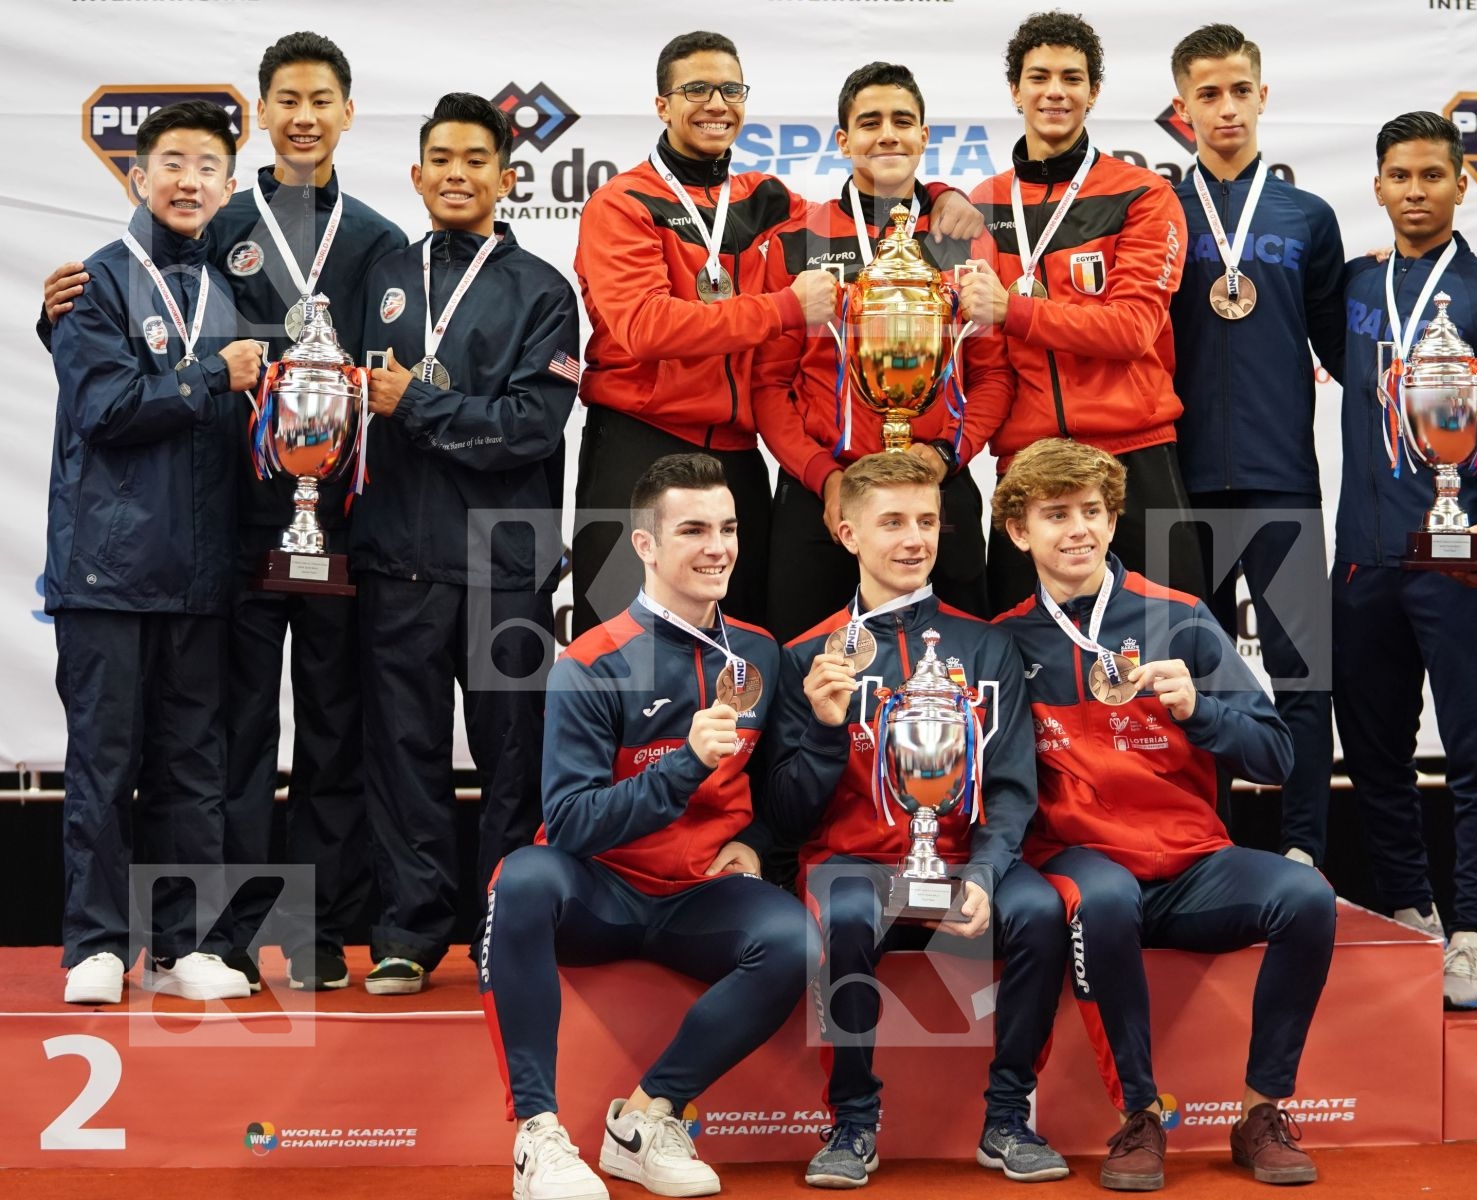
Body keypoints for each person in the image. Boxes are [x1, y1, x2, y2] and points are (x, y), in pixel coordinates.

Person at [40, 32, 407, 993]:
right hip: (212, 536)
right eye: (285, 98)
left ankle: (292, 930)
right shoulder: (179, 246)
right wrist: (60, 322)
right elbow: (127, 367)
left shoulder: (370, 238)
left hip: (319, 527)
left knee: (302, 739)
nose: (303, 116)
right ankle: (189, 938)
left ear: (346, 112)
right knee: (209, 747)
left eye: (321, 99)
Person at [992, 438, 1333, 1190]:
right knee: (1104, 896)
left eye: (1092, 511)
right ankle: (1139, 1118)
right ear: (1020, 531)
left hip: (1190, 867)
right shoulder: (1005, 642)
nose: (1078, 529)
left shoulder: (1180, 620)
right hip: (1083, 863)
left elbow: (1276, 756)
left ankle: (1260, 1112)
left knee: (1306, 897)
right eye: (1056, 515)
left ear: (1115, 520)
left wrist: (1199, 709)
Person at [570, 31, 982, 637]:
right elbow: (643, 327)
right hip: (640, 442)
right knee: (617, 634)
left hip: (735, 456)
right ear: (663, 104)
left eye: (730, 89)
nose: (717, 103)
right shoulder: (622, 202)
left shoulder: (768, 200)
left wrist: (941, 197)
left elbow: (863, 199)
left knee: (737, 637)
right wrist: (783, 309)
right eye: (697, 89)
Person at [483, 453, 803, 1200]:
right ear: (646, 546)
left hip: (699, 896)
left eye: (727, 527)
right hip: (601, 890)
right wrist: (683, 766)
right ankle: (538, 1134)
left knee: (797, 939)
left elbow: (782, 788)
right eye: (693, 529)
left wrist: (756, 845)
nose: (718, 547)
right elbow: (568, 823)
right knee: (522, 879)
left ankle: (647, 1117)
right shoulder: (591, 664)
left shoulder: (759, 653)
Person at [766, 453, 1069, 1188]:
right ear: (847, 534)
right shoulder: (806, 655)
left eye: (927, 521)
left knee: (1038, 910)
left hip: (962, 867)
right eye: (892, 522)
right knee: (841, 912)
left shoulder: (988, 645)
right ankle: (851, 1122)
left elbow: (1011, 787)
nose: (914, 539)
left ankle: (1007, 1117)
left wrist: (990, 875)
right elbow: (786, 812)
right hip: (858, 870)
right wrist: (825, 729)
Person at [354, 93, 578, 995]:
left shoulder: (545, 291)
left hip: (506, 563)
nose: (457, 173)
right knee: (401, 752)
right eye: (440, 158)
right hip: (397, 556)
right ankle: (408, 931)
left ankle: (506, 930)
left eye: (475, 159)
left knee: (513, 756)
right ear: (415, 174)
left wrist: (418, 403)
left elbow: (533, 424)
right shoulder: (379, 276)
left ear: (506, 177)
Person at [50, 101, 265, 1005]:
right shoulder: (93, 284)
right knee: (106, 763)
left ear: (225, 185)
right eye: (170, 163)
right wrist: (215, 372)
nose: (188, 180)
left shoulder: (236, 294)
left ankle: (185, 947)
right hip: (108, 572)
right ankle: (95, 944)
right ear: (138, 178)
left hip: (203, 573)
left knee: (194, 767)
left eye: (207, 166)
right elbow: (106, 410)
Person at [1338, 112, 1477, 1009]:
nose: (1416, 191)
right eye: (1400, 176)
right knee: (1375, 751)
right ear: (1379, 185)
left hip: (1459, 559)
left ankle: (1474, 932)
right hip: (1365, 559)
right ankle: (1410, 909)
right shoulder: (1352, 287)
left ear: (1464, 184)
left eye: (1433, 175)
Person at [754, 60, 1014, 645]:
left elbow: (993, 376)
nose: (888, 134)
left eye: (903, 120)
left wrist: (947, 456)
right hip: (824, 493)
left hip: (935, 490)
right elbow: (769, 386)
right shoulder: (798, 239)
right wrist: (824, 480)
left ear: (925, 136)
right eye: (869, 122)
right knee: (805, 668)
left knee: (961, 661)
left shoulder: (965, 238)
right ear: (844, 141)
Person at [1165, 24, 1344, 867]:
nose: (1226, 107)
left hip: (1283, 482)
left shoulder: (1308, 216)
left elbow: (1341, 345)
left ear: (1263, 96)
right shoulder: (1156, 210)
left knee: (1305, 680)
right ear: (1183, 106)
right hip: (1181, 482)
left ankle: (1304, 850)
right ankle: (1209, 848)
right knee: (1194, 684)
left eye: (1240, 90)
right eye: (1209, 93)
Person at [960, 10, 1203, 613]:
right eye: (1039, 77)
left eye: (1072, 78)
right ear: (1015, 90)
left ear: (1093, 92)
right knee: (1026, 664)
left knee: (1173, 652)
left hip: (1136, 455)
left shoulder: (1144, 193)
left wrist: (1013, 309)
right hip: (1028, 462)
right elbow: (985, 363)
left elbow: (1131, 328)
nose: (1055, 92)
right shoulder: (977, 206)